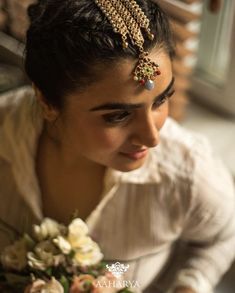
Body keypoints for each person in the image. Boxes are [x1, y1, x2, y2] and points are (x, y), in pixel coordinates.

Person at [0, 1, 234, 293]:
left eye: (161, 100)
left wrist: (189, 285)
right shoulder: (4, 133)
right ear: (47, 102)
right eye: (118, 115)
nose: (152, 138)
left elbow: (225, 236)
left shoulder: (187, 175)